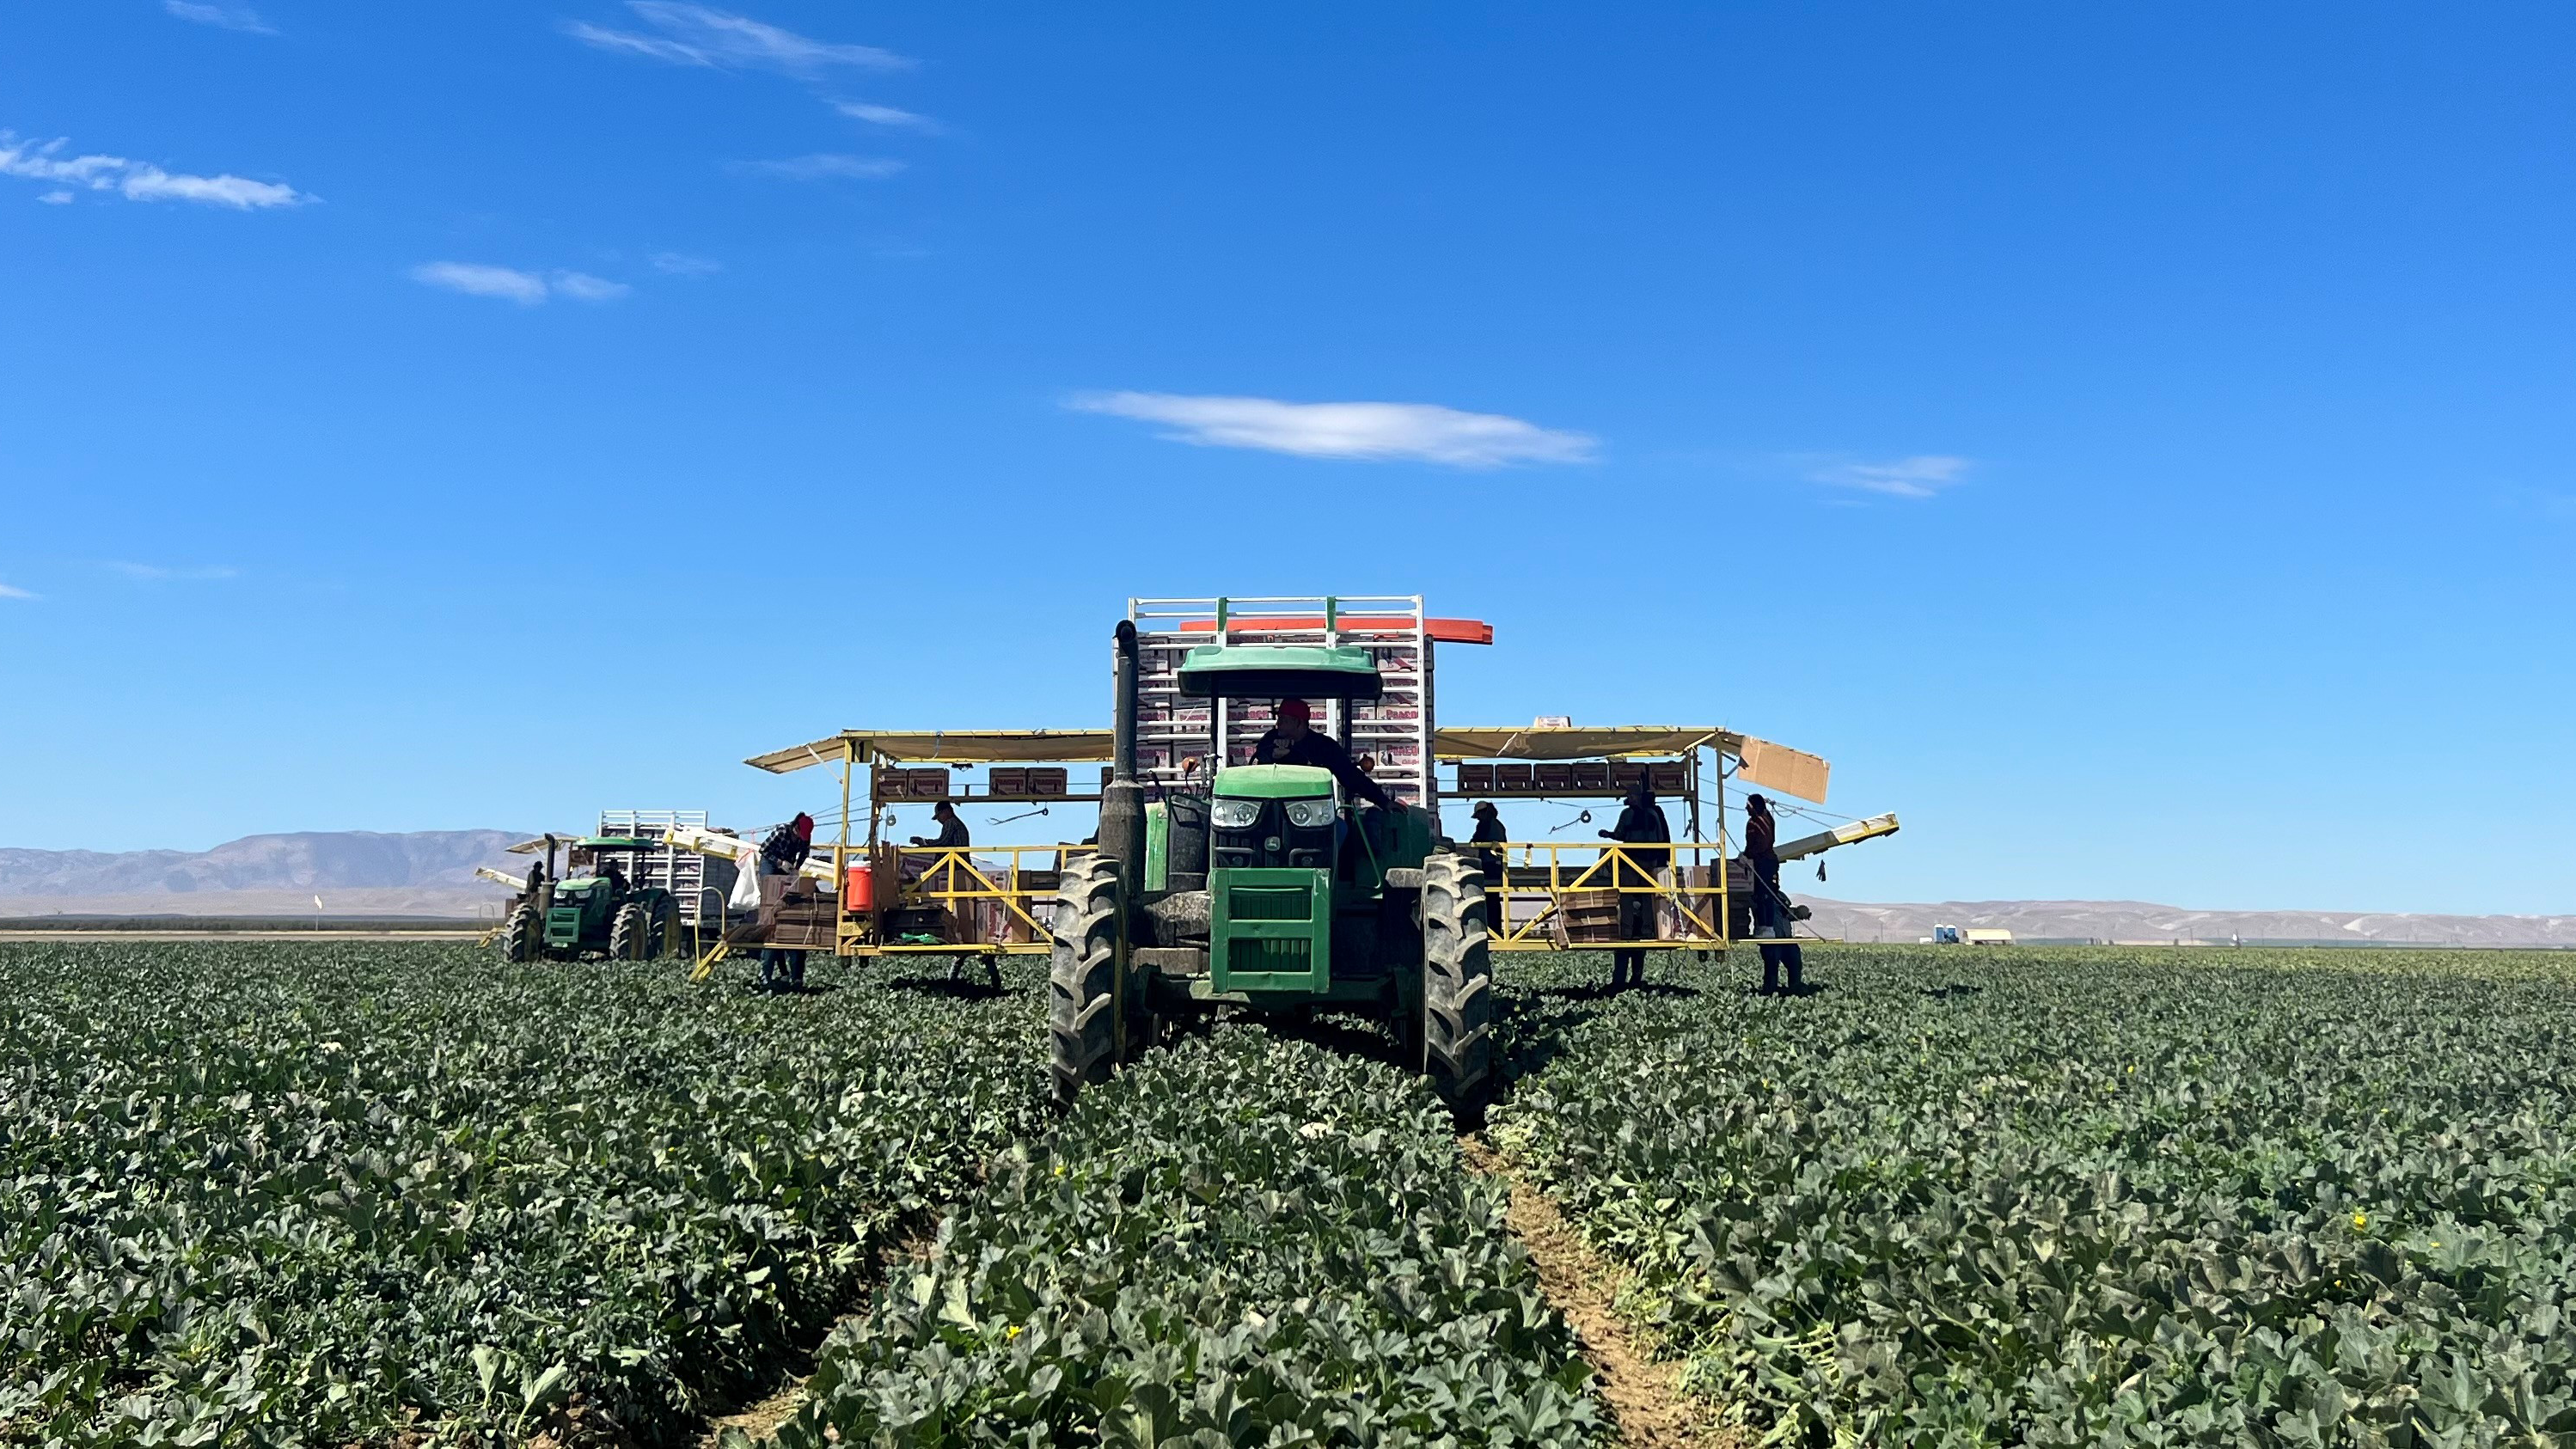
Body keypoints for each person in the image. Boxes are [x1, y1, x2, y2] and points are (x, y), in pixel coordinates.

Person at [1241, 698, 1398, 811]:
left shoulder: (1323, 746)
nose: (1278, 724)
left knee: (1341, 830)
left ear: (1299, 722)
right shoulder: (1270, 739)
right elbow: (1257, 766)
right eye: (1278, 719)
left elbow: (1350, 775)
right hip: (1270, 808)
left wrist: (1383, 801)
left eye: (1283, 719)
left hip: (1312, 810)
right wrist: (1273, 756)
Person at [1599, 779, 1669, 990]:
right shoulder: (1654, 815)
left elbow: (1620, 834)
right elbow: (1661, 839)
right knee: (1648, 897)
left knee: (1627, 897)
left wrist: (1607, 834)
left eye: (1629, 795)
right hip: (1650, 862)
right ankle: (1648, 930)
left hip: (1632, 862)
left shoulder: (1628, 814)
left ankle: (1627, 931)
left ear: (1635, 797)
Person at [1741, 793, 1807, 994]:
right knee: (1772, 965)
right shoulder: (1768, 819)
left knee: (1793, 962)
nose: (1746, 809)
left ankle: (1792, 988)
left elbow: (1756, 846)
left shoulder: (1755, 823)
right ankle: (1771, 990)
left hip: (1783, 938)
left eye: (1748, 806)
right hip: (1776, 939)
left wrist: (1746, 857)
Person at [1470, 801, 1508, 934]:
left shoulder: (1485, 824)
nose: (1478, 818)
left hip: (1488, 864)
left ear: (1484, 813)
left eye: (1479, 815)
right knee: (1494, 898)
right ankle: (1495, 930)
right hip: (1497, 865)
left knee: (1487, 898)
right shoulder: (1499, 825)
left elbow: (1476, 841)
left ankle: (1490, 930)